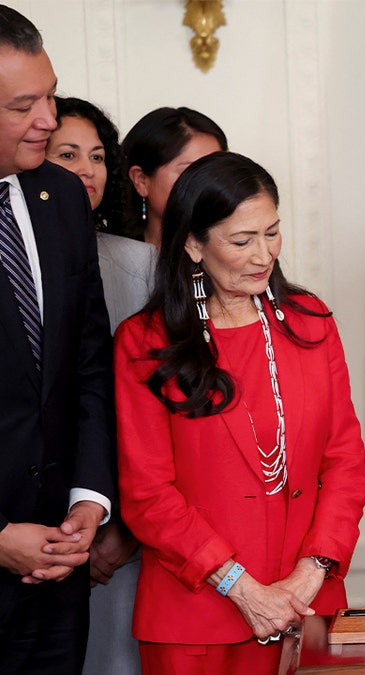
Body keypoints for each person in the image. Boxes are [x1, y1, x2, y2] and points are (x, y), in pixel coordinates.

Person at [113, 151, 365, 673]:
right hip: (197, 617)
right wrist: (242, 588)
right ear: (193, 244)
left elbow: (344, 460)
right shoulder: (144, 342)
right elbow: (147, 494)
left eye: (272, 233)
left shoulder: (311, 322)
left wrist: (311, 573)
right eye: (242, 240)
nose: (263, 254)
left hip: (307, 606)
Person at [0, 7, 116, 673]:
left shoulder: (62, 198)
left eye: (51, 94)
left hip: (59, 572)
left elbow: (88, 362)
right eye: (24, 106)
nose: (49, 118)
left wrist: (88, 499)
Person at [45, 95, 154, 675]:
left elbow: (162, 416)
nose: (86, 170)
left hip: (126, 533)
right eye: (67, 154)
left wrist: (125, 532)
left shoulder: (143, 265)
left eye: (96, 156)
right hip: (32, 532)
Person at [121, 106, 226, 248]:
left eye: (215, 172)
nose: (208, 184)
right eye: (190, 172)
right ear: (141, 180)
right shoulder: (106, 255)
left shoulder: (235, 255)